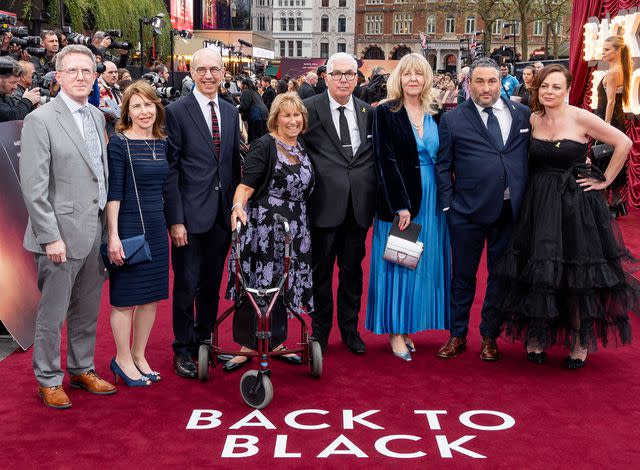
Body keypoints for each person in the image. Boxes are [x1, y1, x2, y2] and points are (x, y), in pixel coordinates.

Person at [495, 64, 635, 369]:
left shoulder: (581, 117)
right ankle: (537, 336)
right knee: (539, 271)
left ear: (567, 89)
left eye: (556, 87)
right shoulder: (531, 119)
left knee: (575, 273)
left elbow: (624, 143)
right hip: (538, 205)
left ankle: (578, 339)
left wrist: (606, 179)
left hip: (575, 205)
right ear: (537, 89)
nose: (549, 92)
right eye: (545, 86)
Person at [20, 45, 116, 409]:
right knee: (53, 312)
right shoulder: (40, 120)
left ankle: (81, 368)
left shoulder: (95, 116)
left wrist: (108, 228)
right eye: (72, 71)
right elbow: (34, 186)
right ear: (57, 76)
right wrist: (50, 237)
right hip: (58, 235)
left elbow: (98, 174)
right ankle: (47, 378)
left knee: (87, 307)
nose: (80, 77)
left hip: (93, 229)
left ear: (95, 77)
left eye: (86, 72)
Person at [434, 58, 531, 361]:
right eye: (480, 81)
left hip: (508, 211)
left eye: (492, 81)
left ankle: (489, 335)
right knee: (462, 277)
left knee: (499, 277)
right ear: (469, 83)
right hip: (466, 213)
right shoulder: (453, 119)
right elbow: (443, 165)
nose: (486, 87)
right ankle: (457, 335)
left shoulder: (522, 114)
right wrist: (449, 205)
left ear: (501, 81)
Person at [366, 53, 450, 360]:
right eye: (407, 74)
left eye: (418, 74)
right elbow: (384, 161)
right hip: (402, 201)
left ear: (426, 78)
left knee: (422, 265)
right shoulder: (386, 112)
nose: (412, 79)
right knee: (400, 264)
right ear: (398, 79)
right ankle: (395, 331)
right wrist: (401, 206)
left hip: (432, 200)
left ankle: (410, 325)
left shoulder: (436, 111)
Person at [163, 47, 241, 379]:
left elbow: (233, 164)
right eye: (201, 70)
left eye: (215, 69)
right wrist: (176, 220)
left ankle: (204, 342)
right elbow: (171, 170)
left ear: (224, 73)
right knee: (186, 285)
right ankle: (182, 348)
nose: (208, 75)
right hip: (189, 217)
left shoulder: (230, 111)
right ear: (190, 72)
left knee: (210, 285)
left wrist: (238, 208)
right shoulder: (176, 112)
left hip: (222, 216)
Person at [223, 92, 314, 371]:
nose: (292, 120)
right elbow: (246, 185)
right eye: (286, 115)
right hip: (264, 231)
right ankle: (247, 346)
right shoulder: (264, 145)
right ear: (275, 118)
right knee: (258, 287)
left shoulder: (301, 147)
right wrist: (237, 206)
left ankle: (277, 342)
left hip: (295, 228)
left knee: (283, 285)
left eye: (297, 115)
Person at [301, 52, 376, 354]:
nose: (344, 79)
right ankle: (320, 332)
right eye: (337, 74)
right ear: (326, 77)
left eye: (350, 74)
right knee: (319, 274)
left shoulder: (368, 112)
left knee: (352, 273)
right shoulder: (307, 110)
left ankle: (349, 329)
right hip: (322, 207)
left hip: (358, 207)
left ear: (357, 78)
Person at [105, 81, 169, 387]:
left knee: (150, 298)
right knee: (124, 299)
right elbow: (113, 192)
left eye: (148, 105)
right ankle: (122, 359)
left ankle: (139, 355)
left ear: (157, 107)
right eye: (136, 106)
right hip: (128, 226)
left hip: (156, 226)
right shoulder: (119, 143)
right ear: (127, 112)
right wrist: (113, 235)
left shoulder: (162, 141)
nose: (144, 111)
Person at [595, 35, 632, 217]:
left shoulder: (612, 73)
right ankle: (616, 201)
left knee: (602, 161)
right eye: (603, 48)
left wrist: (605, 127)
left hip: (609, 122)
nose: (604, 52)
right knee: (613, 160)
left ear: (617, 51)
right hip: (618, 122)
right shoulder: (623, 70)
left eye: (607, 49)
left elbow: (610, 102)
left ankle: (603, 206)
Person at [238, 77, 268, 143]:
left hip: (256, 117)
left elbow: (245, 106)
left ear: (245, 85)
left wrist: (237, 109)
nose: (240, 86)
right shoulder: (255, 92)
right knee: (262, 139)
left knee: (254, 140)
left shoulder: (246, 91)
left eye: (241, 84)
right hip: (263, 116)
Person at [98, 61, 122, 136]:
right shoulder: (100, 87)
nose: (114, 75)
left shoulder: (114, 87)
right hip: (106, 130)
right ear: (102, 73)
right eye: (110, 72)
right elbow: (116, 111)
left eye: (116, 72)